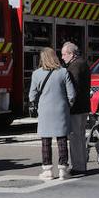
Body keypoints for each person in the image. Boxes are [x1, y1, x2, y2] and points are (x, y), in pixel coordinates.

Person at [30, 47, 76, 180]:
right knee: (62, 139)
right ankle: (63, 170)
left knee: (46, 140)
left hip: (45, 110)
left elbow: (32, 95)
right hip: (61, 109)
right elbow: (71, 94)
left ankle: (48, 170)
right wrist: (68, 105)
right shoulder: (63, 72)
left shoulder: (36, 74)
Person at [62, 42, 91, 175]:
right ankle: (82, 164)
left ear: (71, 54)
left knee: (75, 138)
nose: (62, 57)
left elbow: (73, 89)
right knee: (80, 137)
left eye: (64, 54)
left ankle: (78, 166)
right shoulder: (83, 63)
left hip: (76, 108)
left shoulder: (74, 67)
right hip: (84, 106)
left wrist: (68, 104)